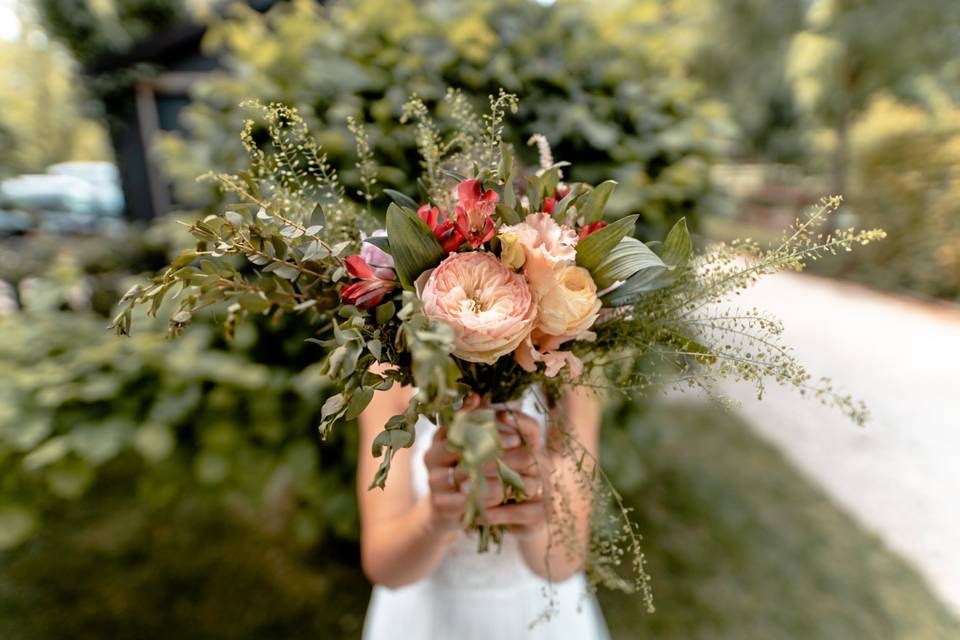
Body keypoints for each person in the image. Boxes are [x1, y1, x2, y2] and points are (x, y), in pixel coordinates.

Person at [358, 374, 610, 640]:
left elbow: (566, 563)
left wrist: (533, 515)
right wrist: (435, 518)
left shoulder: (570, 374)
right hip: (428, 615)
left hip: (539, 614)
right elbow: (383, 566)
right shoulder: (390, 372)